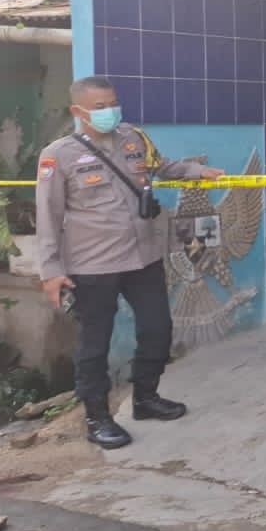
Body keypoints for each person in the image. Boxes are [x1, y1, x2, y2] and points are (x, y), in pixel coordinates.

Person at [36, 76, 224, 449]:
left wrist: (197, 171)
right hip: (92, 265)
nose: (110, 111)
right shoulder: (59, 155)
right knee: (95, 344)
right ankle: (97, 418)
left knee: (157, 329)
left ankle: (146, 398)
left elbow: (162, 166)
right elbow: (48, 215)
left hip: (143, 257)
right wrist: (51, 271)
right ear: (78, 111)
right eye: (100, 106)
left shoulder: (133, 138)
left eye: (113, 103)